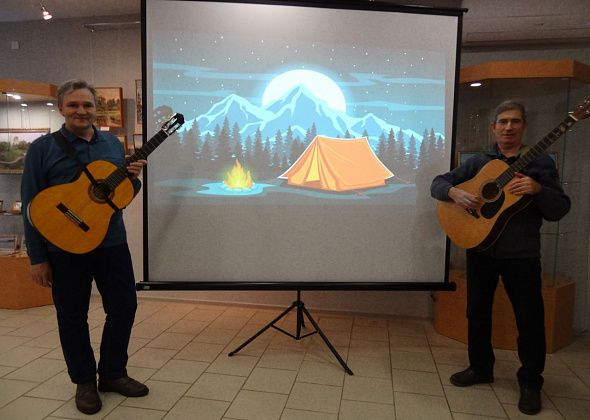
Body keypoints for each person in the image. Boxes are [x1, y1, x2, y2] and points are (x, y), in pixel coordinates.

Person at [430, 100, 570, 416]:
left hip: (521, 256)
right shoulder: (481, 162)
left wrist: (537, 189)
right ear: (493, 127)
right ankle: (481, 368)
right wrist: (454, 193)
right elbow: (438, 183)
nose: (508, 127)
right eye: (503, 121)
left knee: (530, 321)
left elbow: (560, 208)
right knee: (476, 313)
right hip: (480, 250)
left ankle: (531, 382)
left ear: (524, 127)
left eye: (515, 122)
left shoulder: (540, 164)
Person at [21, 79, 149, 415]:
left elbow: (115, 199)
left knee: (124, 307)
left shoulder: (110, 144)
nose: (82, 111)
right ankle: (84, 381)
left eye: (88, 105)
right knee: (72, 316)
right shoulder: (41, 149)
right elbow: (31, 206)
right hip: (63, 249)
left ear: (96, 110)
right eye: (74, 105)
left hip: (111, 243)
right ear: (61, 108)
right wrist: (38, 258)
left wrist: (133, 180)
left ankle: (112, 373)